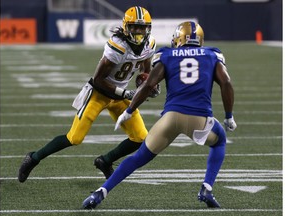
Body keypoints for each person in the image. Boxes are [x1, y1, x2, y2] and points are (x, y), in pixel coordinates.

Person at [82, 21, 237, 209]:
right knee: (219, 141)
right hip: (200, 119)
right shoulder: (212, 54)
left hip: (170, 118)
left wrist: (129, 110)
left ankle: (100, 193)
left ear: (178, 38)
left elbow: (148, 86)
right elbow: (226, 83)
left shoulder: (167, 54)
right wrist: (229, 116)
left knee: (138, 157)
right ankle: (206, 188)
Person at [18, 6, 160, 183]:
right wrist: (125, 92)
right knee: (74, 138)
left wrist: (147, 85)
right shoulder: (118, 46)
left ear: (148, 28)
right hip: (99, 94)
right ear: (126, 27)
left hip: (121, 97)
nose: (138, 31)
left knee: (140, 138)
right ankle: (33, 158)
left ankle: (105, 161)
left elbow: (145, 71)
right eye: (134, 27)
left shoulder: (149, 45)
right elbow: (98, 79)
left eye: (142, 27)